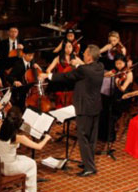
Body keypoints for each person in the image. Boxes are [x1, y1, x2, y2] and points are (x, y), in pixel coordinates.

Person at [42, 44, 104, 177]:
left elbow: (66, 76)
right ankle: (88, 161)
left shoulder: (84, 70)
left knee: (83, 137)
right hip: (95, 107)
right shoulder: (100, 67)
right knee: (92, 137)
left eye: (85, 54)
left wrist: (49, 76)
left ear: (89, 57)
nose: (83, 55)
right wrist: (79, 64)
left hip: (84, 108)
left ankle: (89, 168)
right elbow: (84, 68)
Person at [0, 109, 52, 192]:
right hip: (8, 168)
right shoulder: (18, 138)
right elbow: (39, 146)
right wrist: (46, 138)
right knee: (32, 164)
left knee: (25, 158)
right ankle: (30, 190)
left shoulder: (0, 126)